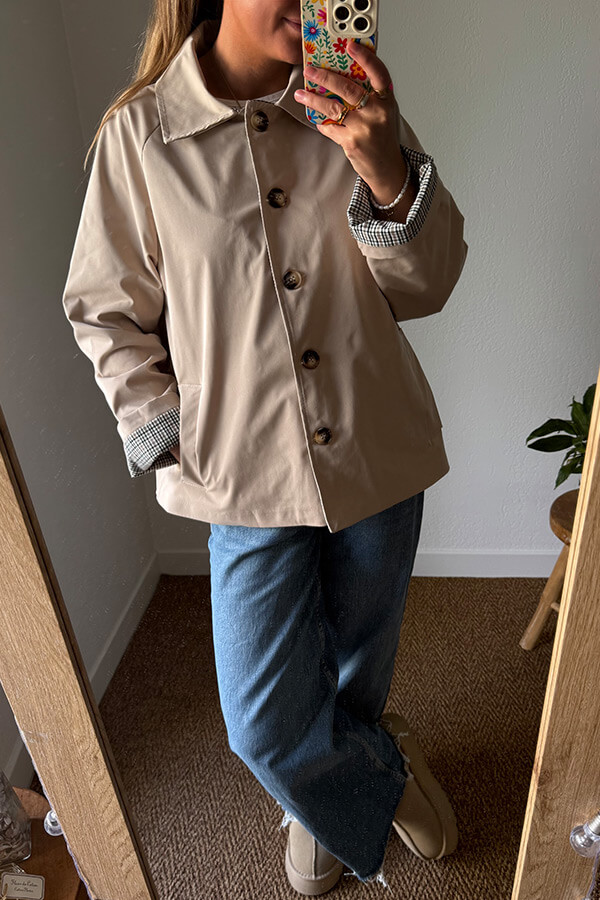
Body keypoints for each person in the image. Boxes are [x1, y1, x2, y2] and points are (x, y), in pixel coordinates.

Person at [61, 0, 468, 893]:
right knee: (261, 722)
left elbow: (429, 284)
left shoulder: (350, 104)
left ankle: (322, 803)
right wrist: (165, 427)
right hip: (240, 474)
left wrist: (385, 168)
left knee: (358, 664)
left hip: (376, 445)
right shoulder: (142, 137)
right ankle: (379, 774)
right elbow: (104, 310)